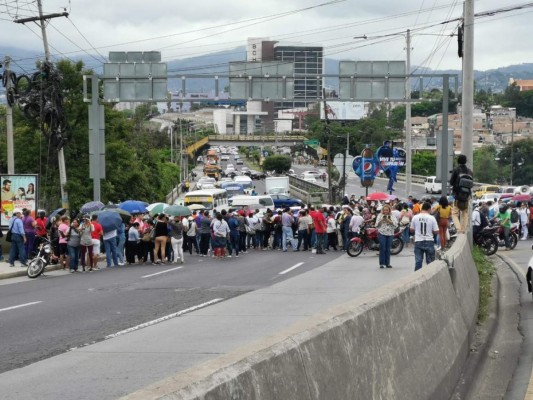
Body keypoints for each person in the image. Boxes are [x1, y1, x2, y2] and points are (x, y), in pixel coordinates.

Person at [410, 202, 439, 271]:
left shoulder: (415, 217)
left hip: (418, 241)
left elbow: (411, 230)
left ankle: (417, 277)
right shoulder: (432, 218)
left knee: (418, 261)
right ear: (429, 209)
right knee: (430, 262)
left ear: (421, 208)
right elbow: (436, 231)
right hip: (429, 241)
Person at [449, 154, 473, 233]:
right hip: (467, 196)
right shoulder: (469, 171)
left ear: (458, 161)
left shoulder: (456, 170)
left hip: (457, 195)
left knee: (454, 213)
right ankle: (463, 229)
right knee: (464, 212)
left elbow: (451, 182)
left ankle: (458, 229)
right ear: (466, 161)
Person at [375, 204, 398, 269]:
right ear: (382, 210)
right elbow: (376, 225)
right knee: (382, 248)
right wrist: (381, 221)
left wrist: (389, 221)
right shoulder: (380, 215)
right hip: (382, 233)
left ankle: (387, 263)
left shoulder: (392, 215)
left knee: (388, 249)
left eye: (387, 210)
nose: (385, 211)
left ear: (389, 210)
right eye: (384, 210)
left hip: (390, 233)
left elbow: (396, 225)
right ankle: (382, 263)